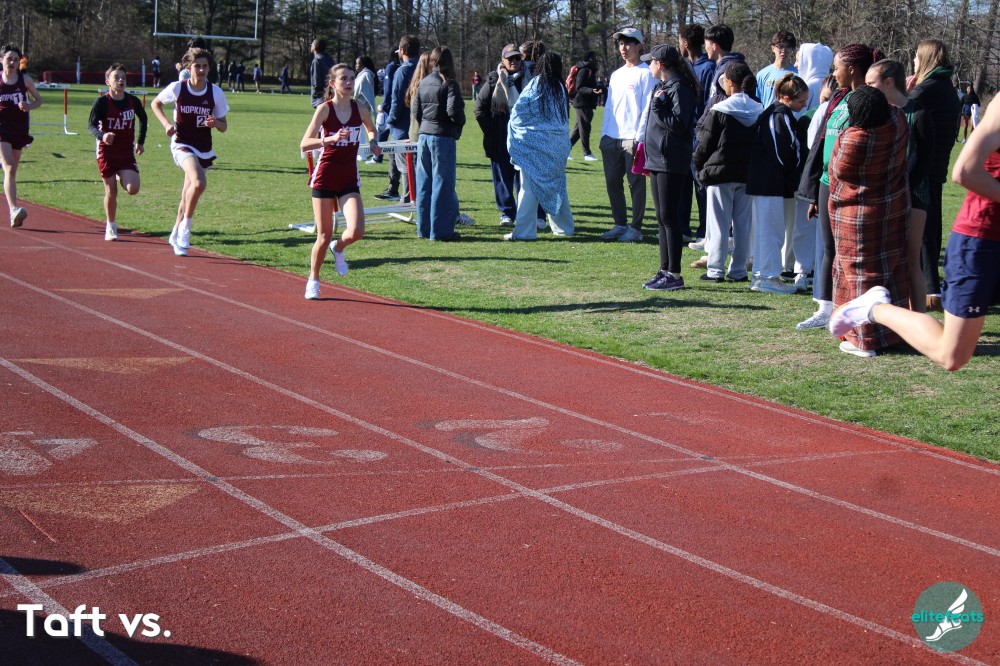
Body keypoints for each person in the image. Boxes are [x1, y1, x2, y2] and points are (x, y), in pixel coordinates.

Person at [831, 94, 1000, 371]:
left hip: (879, 213)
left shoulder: (880, 128)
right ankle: (875, 310)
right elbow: (965, 171)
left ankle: (873, 317)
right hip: (978, 238)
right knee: (951, 354)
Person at [796, 43, 881, 330]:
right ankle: (824, 307)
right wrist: (813, 194)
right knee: (827, 248)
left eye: (837, 68)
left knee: (852, 250)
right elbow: (822, 143)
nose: (833, 73)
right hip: (825, 182)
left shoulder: (869, 100)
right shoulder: (838, 98)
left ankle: (855, 308)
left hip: (851, 185)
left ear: (852, 69)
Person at [825, 86, 910, 357]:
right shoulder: (897, 123)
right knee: (891, 267)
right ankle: (892, 333)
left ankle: (865, 339)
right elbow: (895, 109)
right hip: (892, 207)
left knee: (859, 274)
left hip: (856, 217)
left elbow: (835, 168)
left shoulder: (852, 140)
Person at [300, 63, 381, 300]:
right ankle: (314, 278)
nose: (348, 82)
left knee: (357, 230)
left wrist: (373, 142)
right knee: (324, 235)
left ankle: (339, 247)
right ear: (332, 83)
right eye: (344, 78)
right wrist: (330, 139)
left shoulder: (359, 107)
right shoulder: (324, 109)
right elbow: (304, 143)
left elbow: (371, 128)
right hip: (325, 176)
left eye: (352, 78)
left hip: (348, 177)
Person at [866, 59, 934, 312]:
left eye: (871, 83)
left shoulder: (919, 114)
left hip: (914, 195)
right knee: (882, 261)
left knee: (910, 259)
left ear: (888, 82)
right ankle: (888, 319)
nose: (867, 89)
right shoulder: (877, 114)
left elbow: (925, 162)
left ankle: (918, 318)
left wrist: (901, 189)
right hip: (881, 196)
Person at [151, 47, 229, 257]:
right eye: (197, 66)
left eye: (205, 66)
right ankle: (186, 228)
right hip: (182, 143)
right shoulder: (178, 88)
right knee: (199, 182)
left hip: (204, 147)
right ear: (188, 67)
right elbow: (156, 103)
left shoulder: (215, 92)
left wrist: (215, 123)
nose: (201, 70)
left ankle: (175, 232)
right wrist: (167, 124)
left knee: (188, 194)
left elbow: (224, 126)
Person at [693, 63, 761, 283]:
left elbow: (705, 143)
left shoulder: (720, 109)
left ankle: (715, 269)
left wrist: (698, 165)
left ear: (729, 82)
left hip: (720, 173)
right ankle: (739, 269)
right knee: (743, 226)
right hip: (746, 174)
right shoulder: (758, 109)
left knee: (718, 225)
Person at [638, 45, 697, 291]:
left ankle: (674, 274)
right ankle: (664, 269)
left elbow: (680, 125)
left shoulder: (679, 87)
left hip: (670, 160)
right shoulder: (664, 86)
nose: (649, 66)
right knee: (662, 218)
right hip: (657, 159)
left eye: (651, 62)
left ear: (660, 64)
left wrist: (658, 108)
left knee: (669, 217)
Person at [908, 39, 961, 312]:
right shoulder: (947, 87)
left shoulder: (926, 90)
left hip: (924, 168)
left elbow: (904, 114)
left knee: (923, 230)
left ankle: (928, 289)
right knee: (931, 228)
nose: (913, 62)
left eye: (916, 58)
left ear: (925, 59)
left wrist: (907, 94)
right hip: (937, 166)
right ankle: (932, 288)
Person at [745, 74, 809, 294]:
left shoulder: (779, 114)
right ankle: (768, 277)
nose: (804, 105)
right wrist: (792, 175)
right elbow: (783, 151)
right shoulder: (777, 115)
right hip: (769, 183)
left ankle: (761, 275)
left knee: (767, 230)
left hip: (769, 183)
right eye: (800, 100)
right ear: (785, 98)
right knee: (771, 231)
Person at [505, 50, 575, 241]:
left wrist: (518, 131)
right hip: (558, 146)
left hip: (534, 147)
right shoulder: (560, 88)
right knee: (557, 186)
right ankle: (564, 228)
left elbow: (519, 111)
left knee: (528, 188)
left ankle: (524, 232)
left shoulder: (536, 85)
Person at [599, 27, 656, 243]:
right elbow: (609, 107)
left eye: (629, 43)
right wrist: (604, 134)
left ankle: (636, 228)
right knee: (612, 183)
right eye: (621, 43)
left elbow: (647, 108)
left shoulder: (646, 73)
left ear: (639, 46)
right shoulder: (616, 75)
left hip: (632, 138)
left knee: (636, 185)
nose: (624, 47)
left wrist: (639, 138)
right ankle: (620, 224)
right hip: (611, 138)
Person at [88, 63, 148, 241]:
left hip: (126, 152)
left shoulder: (132, 101)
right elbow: (91, 125)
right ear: (107, 81)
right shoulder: (101, 102)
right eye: (116, 77)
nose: (121, 80)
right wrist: (103, 135)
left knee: (133, 189)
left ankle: (121, 175)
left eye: (123, 78)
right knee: (111, 191)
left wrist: (140, 142)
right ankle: (111, 225)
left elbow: (144, 119)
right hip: (106, 152)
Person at [413, 46, 465, 241]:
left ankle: (423, 229)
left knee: (424, 183)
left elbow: (416, 111)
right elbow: (453, 111)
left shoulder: (423, 82)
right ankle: (441, 231)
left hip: (424, 135)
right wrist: (458, 125)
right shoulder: (449, 84)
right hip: (442, 137)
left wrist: (425, 125)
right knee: (442, 185)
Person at [476, 44, 527, 227]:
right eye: (510, 58)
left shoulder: (529, 80)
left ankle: (525, 212)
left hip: (523, 139)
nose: (514, 61)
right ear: (503, 60)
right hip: (500, 139)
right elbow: (479, 110)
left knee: (524, 179)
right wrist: (492, 130)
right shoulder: (493, 80)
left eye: (517, 58)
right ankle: (507, 213)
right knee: (502, 178)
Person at [678, 24, 716, 242]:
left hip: (699, 134)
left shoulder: (708, 68)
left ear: (685, 43)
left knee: (701, 183)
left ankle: (704, 232)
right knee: (682, 183)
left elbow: (709, 104)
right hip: (683, 134)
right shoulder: (683, 67)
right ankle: (683, 229)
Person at [0, 44, 41, 229]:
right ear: (1, 60)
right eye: (9, 59)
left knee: (12, 171)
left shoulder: (25, 80)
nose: (12, 63)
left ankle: (12, 213)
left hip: (19, 129)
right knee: (9, 168)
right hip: (1, 129)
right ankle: (14, 209)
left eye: (16, 60)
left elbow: (38, 100)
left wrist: (29, 106)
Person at [376, 35, 420, 202]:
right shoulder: (423, 68)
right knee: (414, 162)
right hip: (419, 124)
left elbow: (397, 99)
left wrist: (391, 120)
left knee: (405, 164)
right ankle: (410, 195)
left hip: (402, 124)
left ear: (402, 51)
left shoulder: (403, 70)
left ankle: (408, 198)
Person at [568, 51, 602, 161]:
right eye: (594, 58)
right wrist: (591, 90)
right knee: (585, 128)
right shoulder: (584, 71)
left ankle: (565, 150)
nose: (596, 60)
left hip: (587, 104)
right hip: (582, 103)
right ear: (588, 59)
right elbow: (579, 87)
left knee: (579, 130)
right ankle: (587, 153)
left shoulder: (590, 71)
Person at [755, 30, 798, 109]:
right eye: (781, 46)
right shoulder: (762, 75)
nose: (784, 50)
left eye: (788, 46)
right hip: (767, 116)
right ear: (773, 48)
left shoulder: (798, 75)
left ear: (792, 49)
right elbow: (757, 103)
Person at [309, 40, 334, 108]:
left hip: (320, 97)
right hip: (331, 93)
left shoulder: (317, 61)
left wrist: (315, 95)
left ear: (315, 47)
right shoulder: (329, 59)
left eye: (311, 45)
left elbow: (316, 81)